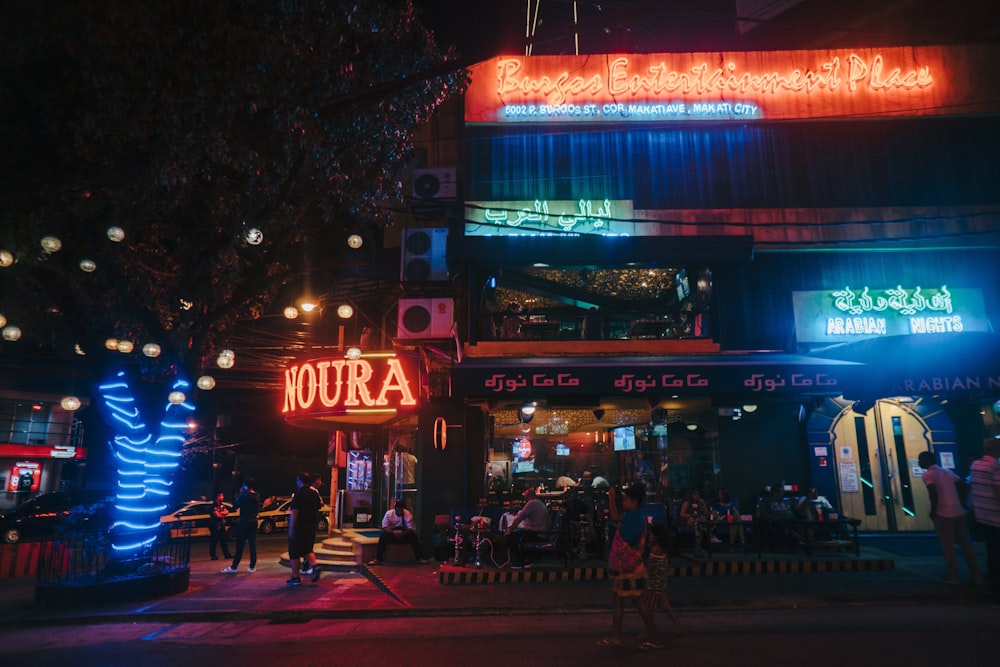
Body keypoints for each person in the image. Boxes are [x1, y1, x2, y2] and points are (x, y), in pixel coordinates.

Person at [598, 483, 662, 650]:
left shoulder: (633, 516)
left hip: (630, 569)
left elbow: (614, 516)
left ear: (634, 501)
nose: (623, 503)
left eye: (625, 500)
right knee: (623, 600)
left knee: (636, 601)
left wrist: (611, 497)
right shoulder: (634, 515)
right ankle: (617, 636)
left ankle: (653, 636)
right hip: (629, 567)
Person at [918, 451, 983, 586]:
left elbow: (933, 493)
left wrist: (933, 510)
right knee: (966, 545)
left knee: (948, 546)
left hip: (943, 513)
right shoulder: (947, 472)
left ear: (926, 460)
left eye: (920, 460)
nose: (919, 463)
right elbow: (964, 485)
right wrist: (961, 501)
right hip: (959, 511)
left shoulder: (928, 474)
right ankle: (976, 575)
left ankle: (953, 576)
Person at [970, 437, 1000, 600]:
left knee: (992, 553)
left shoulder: (975, 465)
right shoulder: (995, 467)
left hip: (982, 515)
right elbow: (998, 492)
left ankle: (995, 586)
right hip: (996, 516)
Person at [644, 523, 684, 637]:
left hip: (655, 584)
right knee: (666, 607)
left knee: (648, 609)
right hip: (659, 582)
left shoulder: (656, 549)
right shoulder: (661, 548)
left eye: (651, 534)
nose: (649, 535)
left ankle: (650, 631)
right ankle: (679, 626)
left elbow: (651, 566)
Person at [287, 472, 323, 586]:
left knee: (294, 552)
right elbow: (318, 508)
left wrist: (291, 528)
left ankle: (295, 577)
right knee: (307, 549)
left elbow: (295, 511)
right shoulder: (314, 494)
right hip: (311, 526)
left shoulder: (299, 494)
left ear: (300, 481)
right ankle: (315, 566)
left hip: (299, 526)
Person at [368, 498, 428, 565]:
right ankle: (378, 559)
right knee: (383, 535)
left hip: (403, 534)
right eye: (398, 509)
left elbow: (410, 528)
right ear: (395, 508)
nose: (399, 511)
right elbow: (384, 527)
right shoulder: (389, 514)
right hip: (392, 534)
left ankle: (420, 558)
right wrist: (393, 532)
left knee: (413, 536)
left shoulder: (407, 514)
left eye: (401, 509)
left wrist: (403, 533)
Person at [222, 477, 260, 574]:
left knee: (240, 544)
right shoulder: (256, 495)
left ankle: (234, 566)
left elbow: (235, 506)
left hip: (244, 521)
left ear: (245, 486)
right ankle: (252, 566)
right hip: (254, 521)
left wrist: (239, 494)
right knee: (252, 544)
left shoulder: (244, 496)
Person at [504, 487, 548, 568]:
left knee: (511, 537)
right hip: (540, 531)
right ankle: (519, 559)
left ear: (528, 496)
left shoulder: (532, 503)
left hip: (536, 532)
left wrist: (510, 529)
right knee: (516, 534)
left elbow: (519, 517)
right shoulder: (539, 503)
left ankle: (517, 561)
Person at [208, 492, 232, 561]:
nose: (223, 497)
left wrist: (221, 513)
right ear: (218, 496)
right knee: (214, 541)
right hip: (214, 524)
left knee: (223, 540)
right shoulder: (213, 505)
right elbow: (217, 515)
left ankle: (227, 554)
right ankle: (213, 555)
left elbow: (227, 512)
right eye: (222, 495)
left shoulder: (221, 505)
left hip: (221, 524)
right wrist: (222, 514)